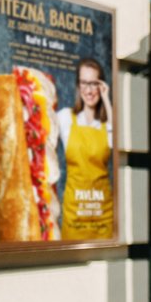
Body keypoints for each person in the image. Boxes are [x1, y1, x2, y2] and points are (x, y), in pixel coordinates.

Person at [59, 57, 113, 240]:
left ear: (101, 86)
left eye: (94, 83)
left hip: (102, 216)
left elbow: (121, 143)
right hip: (75, 215)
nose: (89, 90)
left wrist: (107, 100)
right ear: (78, 86)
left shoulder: (107, 125)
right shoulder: (65, 118)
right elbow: (33, 134)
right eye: (84, 83)